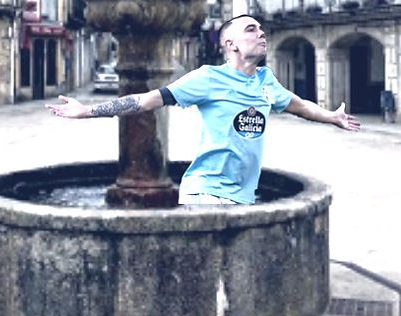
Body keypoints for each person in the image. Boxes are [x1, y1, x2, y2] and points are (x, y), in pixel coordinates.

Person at [46, 15, 360, 205]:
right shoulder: (208, 78)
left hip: (243, 195)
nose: (261, 34)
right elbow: (145, 100)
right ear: (231, 44)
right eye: (251, 30)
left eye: (261, 30)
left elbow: (300, 106)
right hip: (207, 193)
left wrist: (331, 117)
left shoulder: (266, 81)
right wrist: (87, 111)